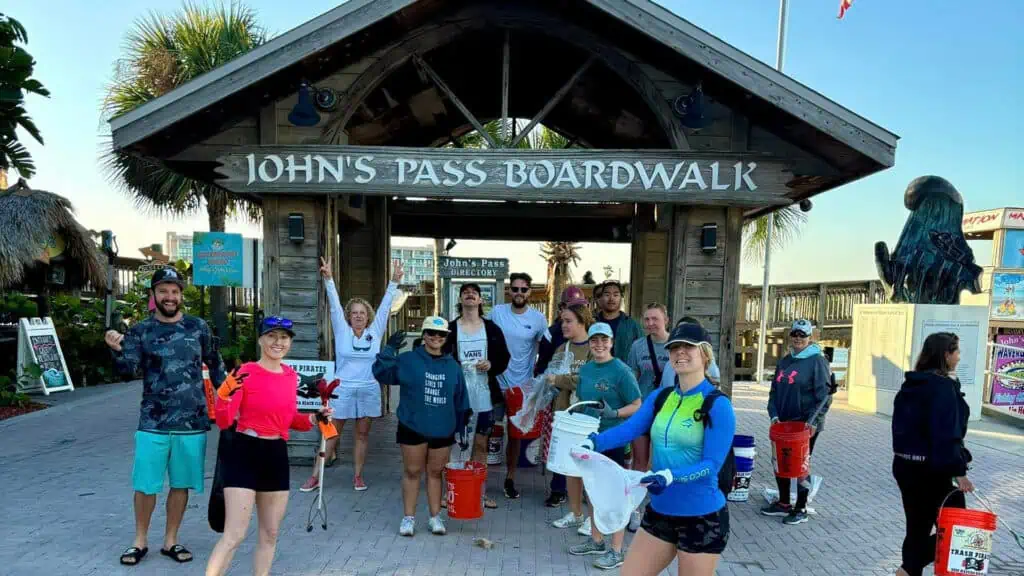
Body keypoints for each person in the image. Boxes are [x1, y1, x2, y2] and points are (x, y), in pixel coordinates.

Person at [582, 322, 736, 576]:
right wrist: (594, 442)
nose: (680, 352)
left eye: (689, 347)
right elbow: (629, 430)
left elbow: (711, 467)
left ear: (705, 354)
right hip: (661, 511)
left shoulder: (717, 405)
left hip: (701, 516)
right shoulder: (662, 397)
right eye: (674, 348)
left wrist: (670, 476)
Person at [105, 268, 226, 567]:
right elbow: (126, 371)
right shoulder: (140, 331)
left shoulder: (199, 327)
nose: (170, 297)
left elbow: (217, 366)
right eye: (163, 291)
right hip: (153, 422)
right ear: (154, 295)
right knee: (146, 484)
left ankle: (171, 540)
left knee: (181, 484)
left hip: (192, 422)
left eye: (174, 291)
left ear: (181, 295)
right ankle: (140, 541)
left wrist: (231, 403)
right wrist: (114, 349)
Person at [205, 317, 333, 576]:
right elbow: (224, 420)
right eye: (272, 336)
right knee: (235, 534)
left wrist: (314, 417)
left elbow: (287, 419)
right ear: (261, 339)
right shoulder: (245, 372)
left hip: (275, 455)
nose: (278, 342)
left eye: (284, 337)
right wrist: (224, 395)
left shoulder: (290, 376)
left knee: (270, 533)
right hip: (244, 452)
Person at [301, 257, 404, 493]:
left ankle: (358, 476)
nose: (358, 316)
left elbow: (386, 306)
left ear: (368, 316)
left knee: (362, 435)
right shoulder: (342, 330)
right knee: (331, 432)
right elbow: (334, 304)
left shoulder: (375, 332)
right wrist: (328, 279)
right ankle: (315, 475)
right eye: (354, 313)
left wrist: (394, 283)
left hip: (368, 387)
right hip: (342, 388)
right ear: (348, 316)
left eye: (362, 313)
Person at [373, 316, 471, 537]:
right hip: (412, 425)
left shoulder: (453, 366)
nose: (436, 337)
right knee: (412, 471)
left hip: (443, 428)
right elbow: (381, 373)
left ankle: (435, 517)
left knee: (436, 473)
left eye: (441, 334)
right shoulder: (408, 360)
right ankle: (408, 518)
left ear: (446, 338)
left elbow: (461, 399)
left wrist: (463, 426)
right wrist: (388, 349)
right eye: (431, 333)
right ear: (423, 335)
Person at [891, 332, 973, 576]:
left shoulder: (912, 385)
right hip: (935, 470)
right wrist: (959, 472)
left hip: (906, 466)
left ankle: (909, 571)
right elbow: (945, 433)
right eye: (956, 351)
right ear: (945, 355)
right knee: (958, 529)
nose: (959, 357)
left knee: (917, 527)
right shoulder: (941, 388)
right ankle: (908, 569)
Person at [563, 322, 643, 571]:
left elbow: (638, 404)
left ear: (611, 343)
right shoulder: (586, 370)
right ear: (589, 343)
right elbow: (581, 400)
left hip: (614, 438)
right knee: (593, 492)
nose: (599, 345)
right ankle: (597, 541)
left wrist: (615, 412)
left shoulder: (621, 370)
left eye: (604, 340)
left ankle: (617, 550)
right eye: (594, 340)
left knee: (615, 495)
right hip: (590, 439)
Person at [442, 283, 511, 509]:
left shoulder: (491, 329)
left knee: (481, 445)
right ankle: (450, 491)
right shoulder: (450, 329)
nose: (470, 295)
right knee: (455, 444)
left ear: (481, 300)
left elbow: (504, 358)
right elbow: (440, 359)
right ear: (460, 300)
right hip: (457, 398)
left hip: (485, 397)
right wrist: (455, 366)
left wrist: (491, 364)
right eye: (465, 293)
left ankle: (479, 493)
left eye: (474, 293)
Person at [761, 319, 832, 525]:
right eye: (795, 334)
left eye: (803, 335)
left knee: (800, 464)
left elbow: (825, 396)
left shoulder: (817, 361)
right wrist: (773, 414)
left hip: (805, 424)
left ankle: (800, 508)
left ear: (810, 337)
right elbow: (774, 391)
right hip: (783, 423)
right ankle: (783, 502)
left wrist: (814, 421)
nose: (798, 338)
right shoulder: (785, 361)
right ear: (790, 336)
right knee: (780, 460)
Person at [488, 272, 548, 499]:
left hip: (521, 387)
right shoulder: (497, 312)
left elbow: (546, 350)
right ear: (509, 291)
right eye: (515, 289)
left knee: (515, 436)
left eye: (524, 289)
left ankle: (509, 479)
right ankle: (479, 479)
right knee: (485, 431)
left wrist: (542, 379)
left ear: (530, 292)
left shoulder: (538, 319)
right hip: (495, 383)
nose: (519, 293)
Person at [625, 303, 672, 531]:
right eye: (647, 319)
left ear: (666, 320)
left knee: (665, 461)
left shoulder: (677, 346)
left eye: (655, 318)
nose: (651, 323)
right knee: (639, 461)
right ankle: (635, 509)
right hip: (644, 409)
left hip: (670, 411)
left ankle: (665, 510)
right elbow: (631, 377)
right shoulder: (638, 346)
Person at [545, 301, 594, 512]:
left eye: (568, 321)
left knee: (585, 456)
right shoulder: (561, 348)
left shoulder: (594, 347)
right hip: (563, 410)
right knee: (562, 452)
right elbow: (550, 377)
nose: (563, 325)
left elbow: (588, 379)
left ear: (582, 321)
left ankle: (588, 495)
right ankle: (558, 491)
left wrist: (559, 380)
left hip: (587, 414)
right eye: (562, 321)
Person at [536, 286, 587, 376]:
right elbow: (542, 366)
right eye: (573, 307)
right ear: (562, 307)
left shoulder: (592, 330)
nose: (578, 311)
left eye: (580, 307)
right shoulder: (551, 333)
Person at [594, 280, 644, 363]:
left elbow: (642, 352)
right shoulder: (592, 323)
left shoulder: (632, 325)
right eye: (607, 294)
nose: (611, 298)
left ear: (621, 298)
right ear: (601, 298)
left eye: (615, 295)